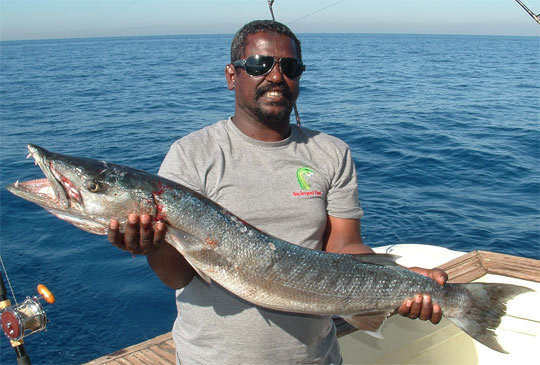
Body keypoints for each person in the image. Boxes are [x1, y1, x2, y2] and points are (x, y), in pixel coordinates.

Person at [108, 20, 448, 364]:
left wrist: (403, 280)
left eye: (290, 67)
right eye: (259, 64)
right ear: (231, 76)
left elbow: (344, 245)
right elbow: (178, 276)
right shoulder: (192, 154)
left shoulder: (332, 152)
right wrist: (152, 247)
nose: (275, 76)